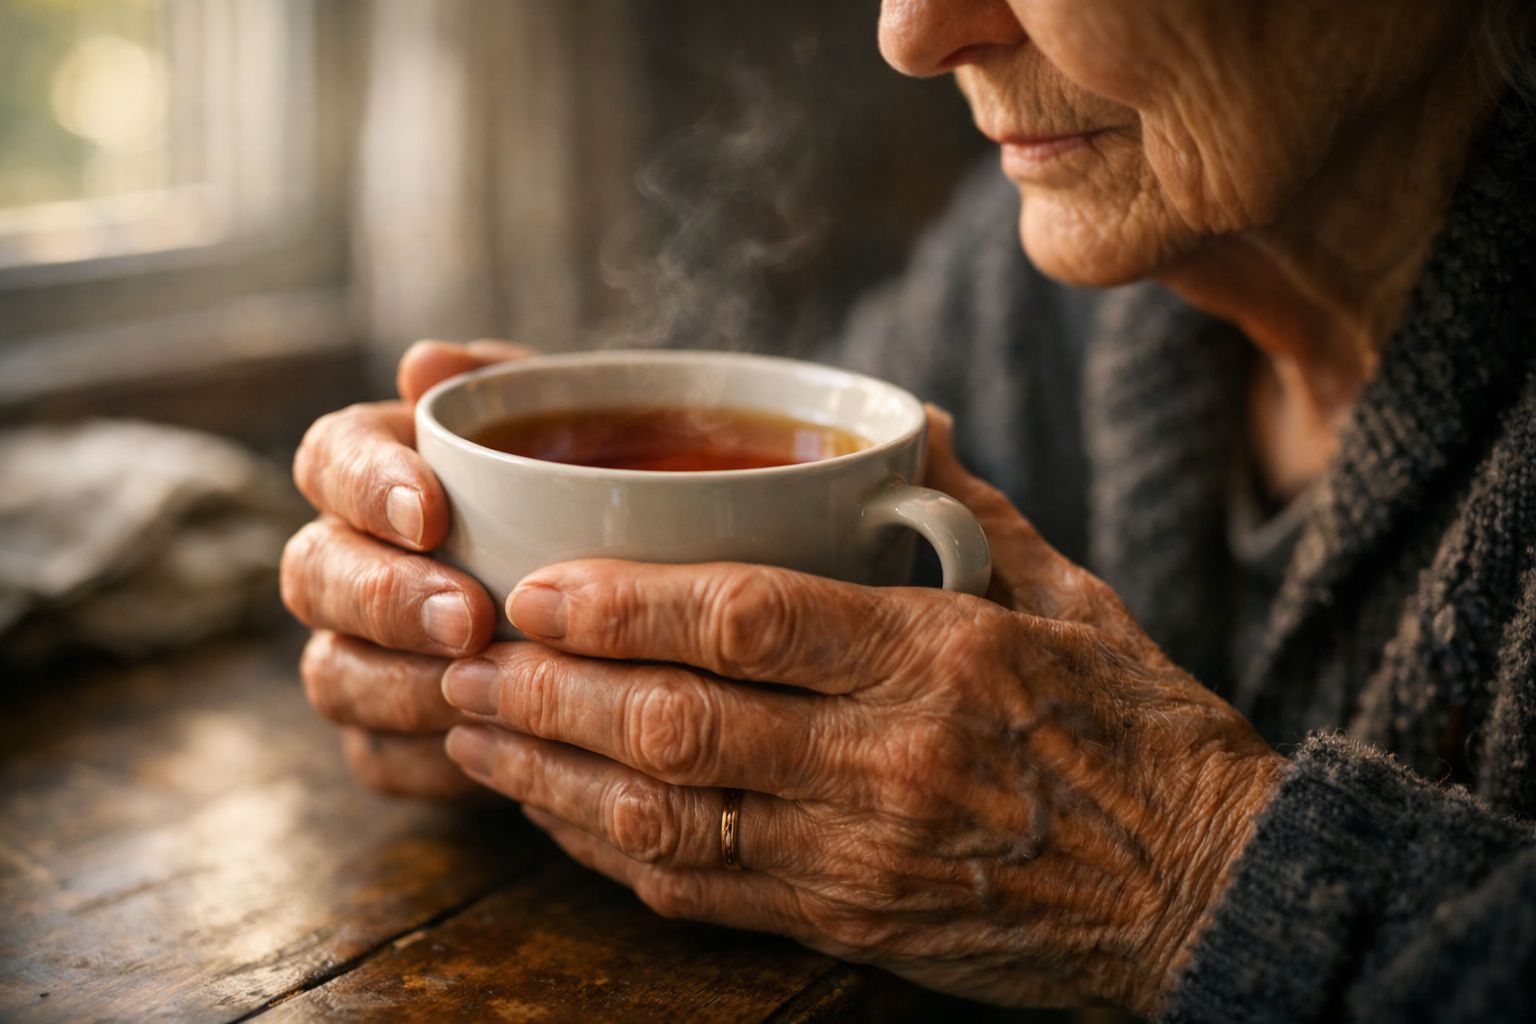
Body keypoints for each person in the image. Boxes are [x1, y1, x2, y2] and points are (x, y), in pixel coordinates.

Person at [279, 1, 1536, 1019]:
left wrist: (1187, 880)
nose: (913, 31)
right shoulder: (1037, 272)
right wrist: (503, 668)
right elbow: (777, 558)